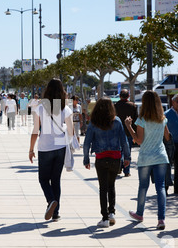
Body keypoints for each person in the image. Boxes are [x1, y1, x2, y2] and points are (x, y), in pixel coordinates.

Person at [29, 78, 74, 222]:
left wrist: (31, 149)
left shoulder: (41, 108)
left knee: (43, 179)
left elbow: (35, 131)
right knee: (56, 180)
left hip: (45, 147)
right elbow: (72, 131)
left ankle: (50, 201)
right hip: (60, 147)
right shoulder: (65, 108)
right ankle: (56, 212)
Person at [125, 90, 171, 230]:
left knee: (143, 186)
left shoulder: (142, 120)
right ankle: (161, 219)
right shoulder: (163, 118)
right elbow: (167, 137)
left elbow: (138, 140)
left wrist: (129, 126)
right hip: (161, 156)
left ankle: (139, 214)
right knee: (160, 187)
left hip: (146, 157)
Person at [84, 98, 130, 227]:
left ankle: (104, 218)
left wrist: (86, 159)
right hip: (115, 158)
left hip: (101, 158)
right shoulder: (117, 121)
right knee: (112, 186)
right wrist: (127, 158)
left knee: (103, 188)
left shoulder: (94, 122)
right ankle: (112, 213)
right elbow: (124, 141)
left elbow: (87, 143)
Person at [114, 89, 138, 177]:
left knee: (119, 150)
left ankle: (119, 165)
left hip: (117, 132)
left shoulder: (116, 106)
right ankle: (127, 171)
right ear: (128, 96)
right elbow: (136, 121)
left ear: (120, 96)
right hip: (129, 132)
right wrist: (135, 135)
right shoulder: (133, 106)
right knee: (128, 150)